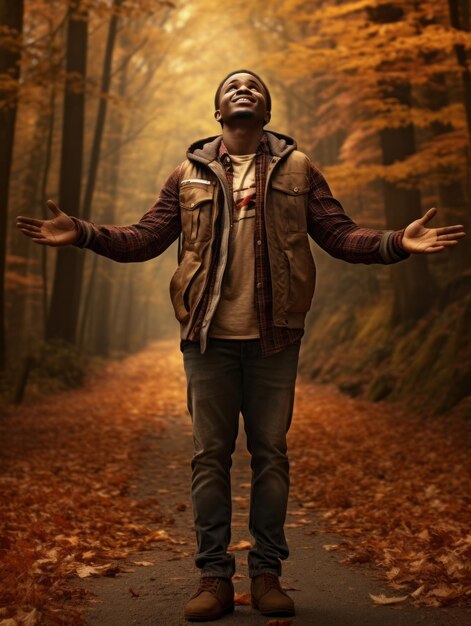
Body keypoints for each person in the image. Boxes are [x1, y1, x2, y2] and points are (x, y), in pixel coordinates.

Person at [16, 69, 466, 622]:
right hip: (207, 339)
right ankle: (213, 579)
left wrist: (397, 242)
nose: (243, 89)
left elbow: (340, 235)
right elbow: (145, 238)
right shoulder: (187, 175)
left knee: (270, 455)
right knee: (210, 457)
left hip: (276, 338)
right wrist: (83, 232)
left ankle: (268, 575)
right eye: (231, 86)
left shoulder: (299, 170)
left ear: (267, 112)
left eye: (253, 85)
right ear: (218, 113)